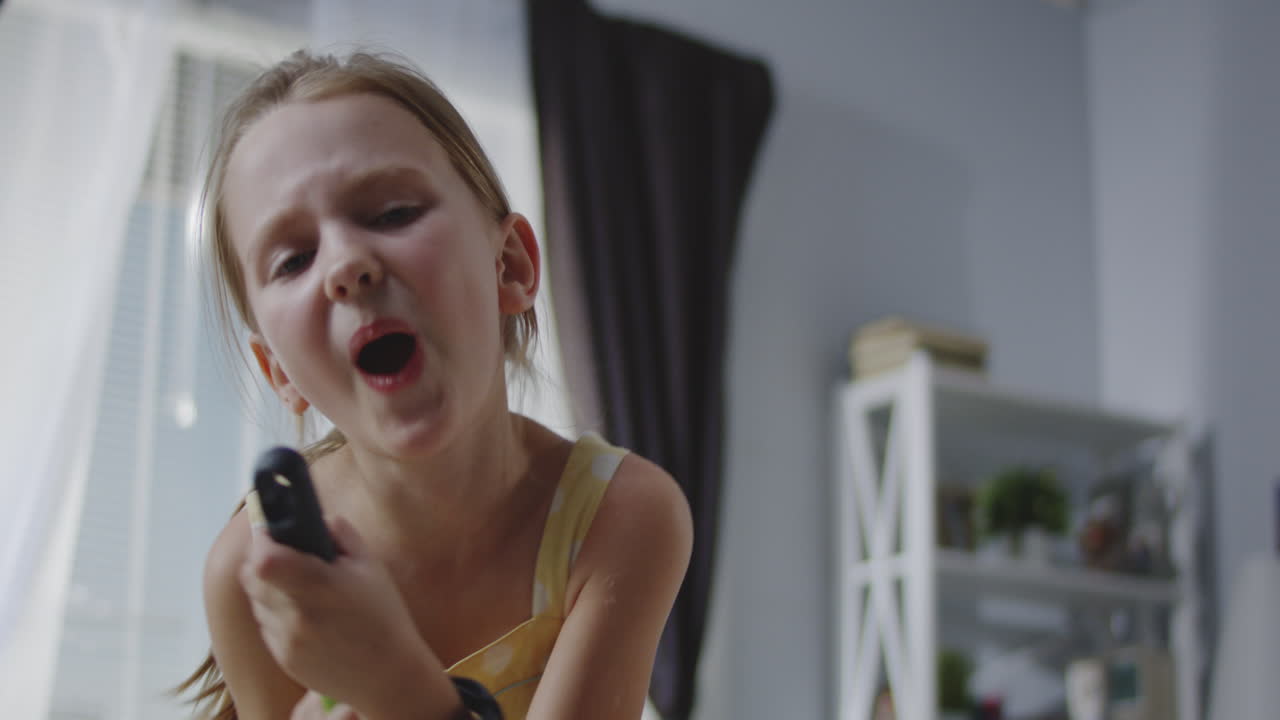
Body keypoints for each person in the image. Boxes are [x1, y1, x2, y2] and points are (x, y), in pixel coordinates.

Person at [176, 49, 692, 720]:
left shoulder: (622, 517)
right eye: (294, 258)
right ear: (280, 371)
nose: (346, 264)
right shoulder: (252, 574)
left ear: (510, 265)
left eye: (391, 213)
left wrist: (397, 685)